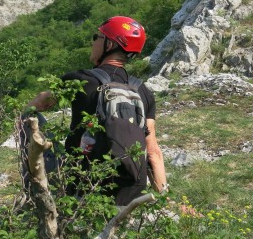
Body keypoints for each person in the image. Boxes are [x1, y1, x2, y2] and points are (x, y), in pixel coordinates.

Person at [26, 16, 167, 206]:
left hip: (82, 184)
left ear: (109, 44)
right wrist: (164, 199)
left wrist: (25, 112)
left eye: (97, 37)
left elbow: (40, 102)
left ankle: (35, 197)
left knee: (28, 119)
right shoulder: (144, 92)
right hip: (129, 193)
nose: (93, 42)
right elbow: (153, 152)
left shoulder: (80, 80)